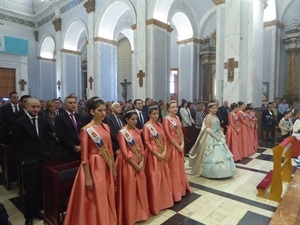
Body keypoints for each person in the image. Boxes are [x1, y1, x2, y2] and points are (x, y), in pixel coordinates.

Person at [64, 98, 117, 225]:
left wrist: (113, 169)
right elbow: (84, 156)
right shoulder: (86, 130)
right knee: (95, 198)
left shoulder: (106, 127)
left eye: (105, 110)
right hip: (93, 166)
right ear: (92, 112)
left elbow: (109, 150)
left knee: (106, 194)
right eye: (100, 110)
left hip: (106, 164)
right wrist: (87, 177)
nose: (103, 113)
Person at [12, 98, 50, 225]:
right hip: (28, 161)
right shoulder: (20, 122)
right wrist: (21, 160)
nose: (36, 109)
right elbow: (16, 144)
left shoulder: (43, 120)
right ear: (27, 107)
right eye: (33, 107)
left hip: (42, 160)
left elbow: (46, 139)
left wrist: (47, 154)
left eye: (38, 107)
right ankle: (28, 215)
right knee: (30, 189)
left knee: (40, 188)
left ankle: (37, 210)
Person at [115, 110, 150, 225]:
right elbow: (124, 153)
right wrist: (135, 165)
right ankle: (130, 216)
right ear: (127, 120)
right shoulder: (122, 132)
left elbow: (142, 147)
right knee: (130, 190)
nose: (135, 121)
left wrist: (142, 162)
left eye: (136, 119)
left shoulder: (136, 130)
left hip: (139, 161)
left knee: (140, 188)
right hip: (128, 164)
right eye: (132, 119)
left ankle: (140, 212)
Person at [189, 102, 236, 178]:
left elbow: (218, 126)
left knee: (223, 153)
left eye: (216, 108)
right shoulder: (208, 117)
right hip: (211, 136)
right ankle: (211, 172)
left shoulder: (216, 116)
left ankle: (224, 172)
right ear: (209, 109)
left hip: (218, 135)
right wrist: (215, 137)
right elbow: (208, 129)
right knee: (211, 153)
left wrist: (221, 134)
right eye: (213, 108)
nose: (215, 109)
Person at [142, 106, 173, 215]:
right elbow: (147, 142)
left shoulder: (159, 124)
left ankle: (164, 201)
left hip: (162, 154)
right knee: (155, 179)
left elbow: (164, 140)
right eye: (153, 114)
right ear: (149, 114)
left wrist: (164, 152)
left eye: (157, 113)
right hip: (153, 156)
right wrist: (157, 154)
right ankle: (155, 204)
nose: (156, 115)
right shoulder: (147, 126)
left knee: (164, 178)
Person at [162, 100, 191, 202]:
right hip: (172, 147)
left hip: (179, 145)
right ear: (168, 109)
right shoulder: (166, 119)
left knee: (180, 168)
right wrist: (177, 146)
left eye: (176, 107)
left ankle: (182, 189)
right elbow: (168, 136)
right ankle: (175, 192)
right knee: (174, 169)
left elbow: (181, 132)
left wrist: (182, 144)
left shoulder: (177, 117)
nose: (175, 109)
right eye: (172, 107)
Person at [55, 96, 84, 163]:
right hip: (67, 150)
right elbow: (61, 135)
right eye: (70, 103)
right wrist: (74, 146)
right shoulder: (59, 117)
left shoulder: (79, 116)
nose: (73, 104)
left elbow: (82, 132)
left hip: (80, 148)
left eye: (74, 102)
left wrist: (81, 145)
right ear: (65, 105)